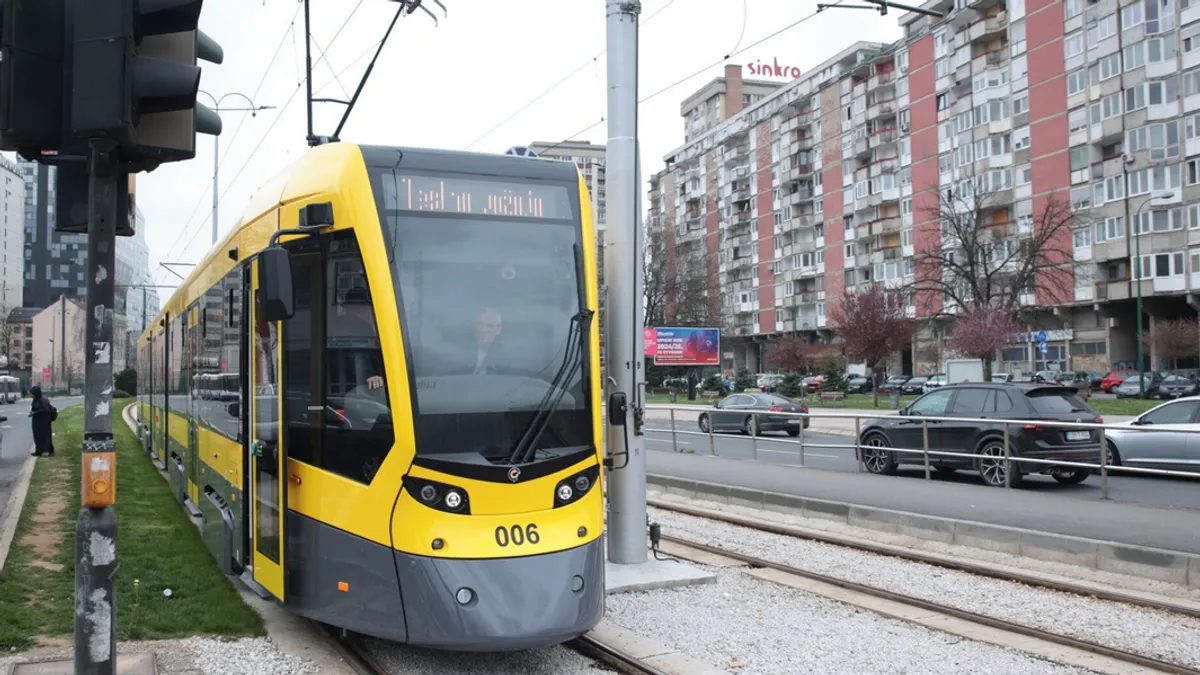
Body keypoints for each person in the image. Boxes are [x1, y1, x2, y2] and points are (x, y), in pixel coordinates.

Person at [28, 386, 54, 457]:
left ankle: (47, 450)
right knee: (37, 435)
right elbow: (34, 408)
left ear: (35, 393)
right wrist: (31, 412)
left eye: (30, 394)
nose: (29, 395)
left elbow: (45, 409)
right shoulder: (35, 399)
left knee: (45, 435)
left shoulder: (43, 399)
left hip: (44, 420)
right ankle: (38, 451)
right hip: (37, 420)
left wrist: (34, 413)